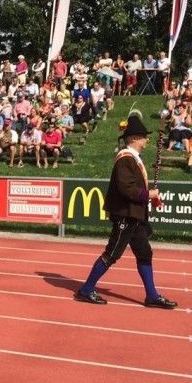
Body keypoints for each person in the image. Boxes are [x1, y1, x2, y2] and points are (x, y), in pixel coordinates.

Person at [75, 115, 177, 309]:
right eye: (144, 137)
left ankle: (152, 295)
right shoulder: (125, 159)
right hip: (125, 214)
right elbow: (126, 188)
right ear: (134, 139)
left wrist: (150, 197)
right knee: (112, 254)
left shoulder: (134, 159)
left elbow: (135, 188)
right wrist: (148, 194)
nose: (147, 139)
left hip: (135, 215)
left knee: (145, 253)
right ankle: (86, 289)